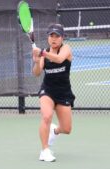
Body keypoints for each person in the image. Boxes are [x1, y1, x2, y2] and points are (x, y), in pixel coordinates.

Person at [32, 23, 75, 162]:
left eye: (57, 36)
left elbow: (59, 59)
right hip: (48, 90)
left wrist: (42, 53)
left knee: (67, 129)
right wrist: (37, 61)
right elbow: (37, 73)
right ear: (48, 37)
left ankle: (54, 131)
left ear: (62, 38)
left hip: (63, 93)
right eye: (51, 35)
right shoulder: (44, 53)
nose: (54, 39)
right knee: (46, 116)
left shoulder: (66, 49)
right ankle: (45, 150)